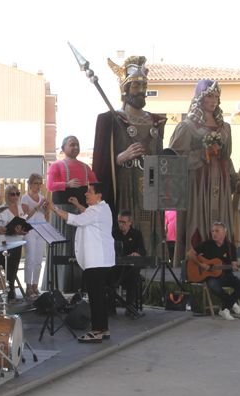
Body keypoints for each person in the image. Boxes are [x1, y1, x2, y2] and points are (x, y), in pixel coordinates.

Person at [92, 55, 166, 255]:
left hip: (150, 183)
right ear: (124, 89)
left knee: (150, 223)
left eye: (144, 85)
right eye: (135, 85)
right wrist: (121, 157)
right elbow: (100, 164)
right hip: (125, 183)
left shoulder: (155, 121)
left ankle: (152, 260)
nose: (141, 91)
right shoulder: (112, 119)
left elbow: (161, 155)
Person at [169, 79, 240, 267]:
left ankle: (223, 262)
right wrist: (202, 154)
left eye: (217, 96)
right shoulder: (187, 126)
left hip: (222, 180)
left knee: (221, 220)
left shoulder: (225, 127)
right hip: (198, 182)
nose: (214, 100)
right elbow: (174, 159)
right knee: (198, 220)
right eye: (210, 96)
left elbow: (227, 157)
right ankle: (197, 262)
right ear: (200, 98)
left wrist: (235, 179)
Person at [50, 183, 115, 342]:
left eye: (89, 192)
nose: (86, 194)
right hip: (101, 261)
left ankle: (97, 330)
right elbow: (87, 215)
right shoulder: (102, 208)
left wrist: (54, 209)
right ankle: (103, 329)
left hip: (96, 261)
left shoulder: (97, 210)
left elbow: (76, 220)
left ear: (99, 195)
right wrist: (78, 205)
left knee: (95, 297)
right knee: (99, 296)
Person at [46, 136, 97, 292]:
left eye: (77, 144)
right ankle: (61, 284)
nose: (75, 147)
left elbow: (96, 184)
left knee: (80, 245)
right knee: (63, 245)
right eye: (72, 144)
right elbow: (49, 185)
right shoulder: (56, 166)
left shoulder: (86, 167)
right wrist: (66, 184)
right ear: (63, 148)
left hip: (80, 210)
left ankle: (79, 284)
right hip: (62, 210)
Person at [186, 222, 240, 321]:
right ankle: (231, 303)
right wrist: (201, 264)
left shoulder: (230, 247)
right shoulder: (207, 244)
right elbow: (190, 254)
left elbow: (234, 264)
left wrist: (235, 267)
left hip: (227, 276)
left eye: (217, 231)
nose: (214, 233)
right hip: (211, 277)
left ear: (224, 232)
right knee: (214, 285)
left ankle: (225, 308)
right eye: (213, 231)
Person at [111, 209, 146, 313]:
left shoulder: (136, 234)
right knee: (107, 276)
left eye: (123, 222)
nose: (121, 225)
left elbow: (142, 250)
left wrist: (137, 253)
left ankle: (130, 307)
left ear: (130, 222)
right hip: (116, 267)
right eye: (119, 222)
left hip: (130, 268)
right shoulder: (114, 233)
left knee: (133, 277)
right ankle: (110, 307)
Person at [21, 173, 48, 299]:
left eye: (40, 183)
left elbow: (46, 216)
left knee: (38, 259)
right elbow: (26, 216)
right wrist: (38, 206)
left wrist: (46, 209)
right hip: (30, 229)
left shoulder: (42, 197)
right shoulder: (25, 198)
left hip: (41, 229)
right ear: (30, 184)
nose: (38, 186)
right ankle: (28, 286)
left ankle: (35, 285)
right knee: (30, 258)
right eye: (35, 183)